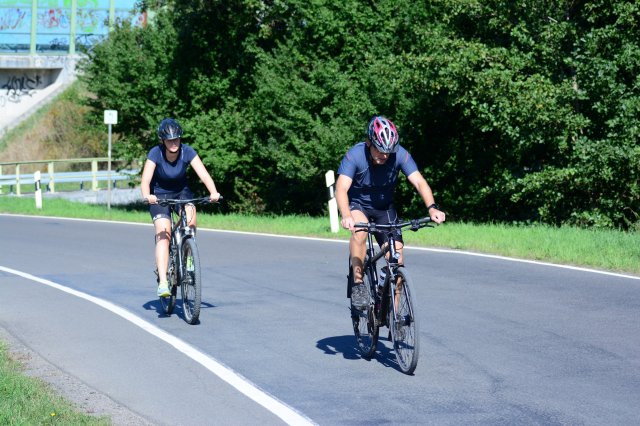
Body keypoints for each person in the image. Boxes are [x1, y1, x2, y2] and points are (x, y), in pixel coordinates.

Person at [335, 115, 446, 310]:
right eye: (380, 149)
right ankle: (358, 283)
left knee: (397, 261)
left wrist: (432, 207)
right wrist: (346, 215)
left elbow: (419, 181)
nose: (384, 155)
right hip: (358, 206)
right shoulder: (355, 155)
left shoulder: (400, 155)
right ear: (369, 142)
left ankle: (393, 314)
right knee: (360, 231)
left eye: (388, 151)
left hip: (385, 209)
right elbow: (341, 188)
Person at [141, 118, 221, 297]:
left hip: (181, 193)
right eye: (169, 140)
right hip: (158, 196)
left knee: (191, 219)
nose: (173, 143)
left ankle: (189, 258)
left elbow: (204, 175)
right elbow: (145, 180)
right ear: (163, 141)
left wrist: (213, 192)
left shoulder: (187, 151)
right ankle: (163, 282)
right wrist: (147, 195)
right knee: (164, 233)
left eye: (176, 139)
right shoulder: (155, 153)